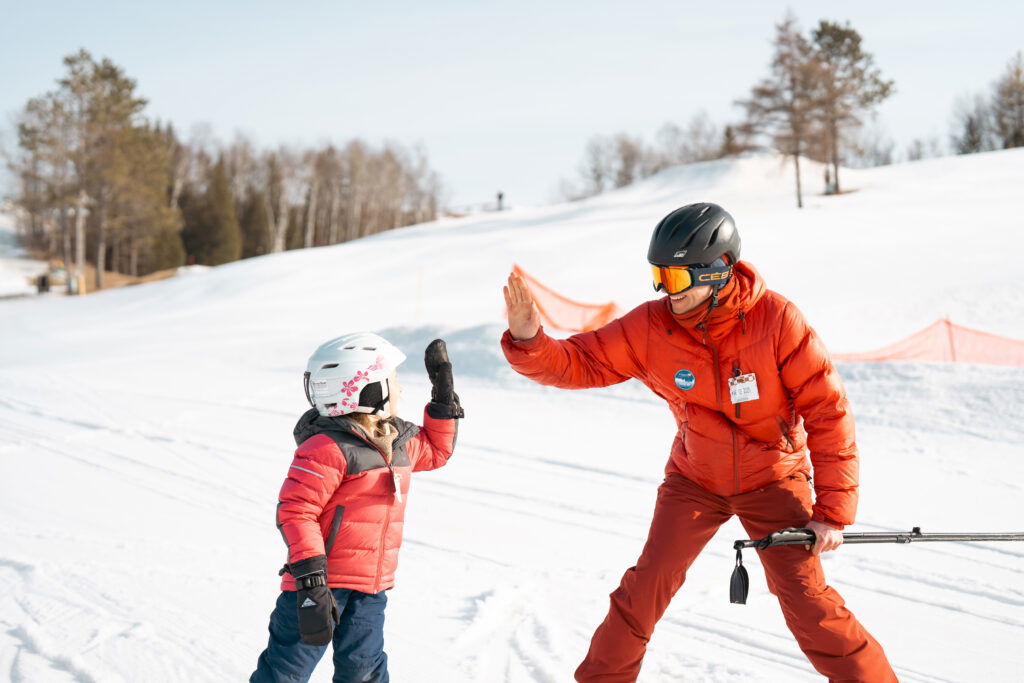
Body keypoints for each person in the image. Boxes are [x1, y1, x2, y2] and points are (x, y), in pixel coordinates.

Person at [501, 203, 896, 682]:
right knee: (643, 591)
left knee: (809, 605)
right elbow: (580, 363)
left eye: (676, 278)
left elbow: (828, 412)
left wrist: (832, 513)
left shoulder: (777, 321)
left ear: (718, 270)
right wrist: (530, 340)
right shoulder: (650, 326)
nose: (665, 292)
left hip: (773, 479)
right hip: (695, 479)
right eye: (658, 276)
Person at [251, 333, 464, 683]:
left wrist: (443, 401)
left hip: (370, 587)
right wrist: (310, 574)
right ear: (366, 389)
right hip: (317, 585)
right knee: (285, 671)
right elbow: (296, 509)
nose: (401, 391)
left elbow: (438, 451)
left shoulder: (396, 443)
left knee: (362, 671)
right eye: (394, 382)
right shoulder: (327, 447)